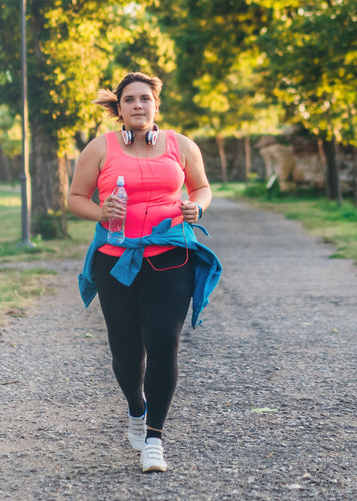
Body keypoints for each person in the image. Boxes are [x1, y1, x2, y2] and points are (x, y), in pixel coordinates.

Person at [68, 72, 222, 473]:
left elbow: (202, 188)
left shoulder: (182, 146)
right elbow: (75, 198)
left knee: (163, 342)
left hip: (171, 257)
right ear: (118, 108)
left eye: (145, 99)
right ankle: (136, 408)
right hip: (115, 259)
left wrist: (197, 208)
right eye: (130, 100)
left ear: (156, 106)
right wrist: (100, 212)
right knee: (125, 351)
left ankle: (155, 438)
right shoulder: (99, 149)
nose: (138, 105)